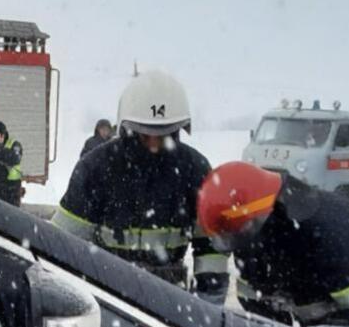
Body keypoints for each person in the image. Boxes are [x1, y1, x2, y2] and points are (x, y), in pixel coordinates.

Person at [52, 71, 229, 302]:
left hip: (170, 299)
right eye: (145, 136)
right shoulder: (96, 168)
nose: (154, 145)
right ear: (128, 130)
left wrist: (209, 300)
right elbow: (62, 242)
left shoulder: (195, 169)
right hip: (106, 296)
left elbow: (210, 247)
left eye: (163, 135)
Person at [197, 161, 349, 326]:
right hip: (336, 318)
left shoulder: (331, 235)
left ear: (265, 215)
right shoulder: (253, 237)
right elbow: (256, 304)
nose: (239, 249)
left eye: (236, 235)